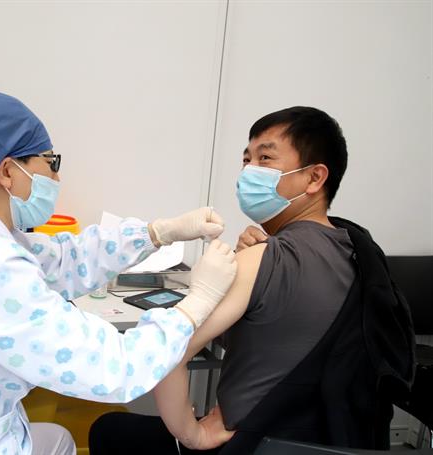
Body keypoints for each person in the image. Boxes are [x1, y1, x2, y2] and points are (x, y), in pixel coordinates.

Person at [0, 92, 239, 455]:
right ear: (7, 172)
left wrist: (157, 233)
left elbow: (65, 258)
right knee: (60, 439)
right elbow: (114, 368)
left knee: (56, 438)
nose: (56, 179)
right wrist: (198, 302)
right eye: (50, 163)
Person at [88, 106, 414, 454]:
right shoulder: (361, 252)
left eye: (265, 158)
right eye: (246, 160)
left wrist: (191, 434)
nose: (248, 172)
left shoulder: (261, 259)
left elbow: (169, 354)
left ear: (314, 178)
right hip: (333, 442)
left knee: (108, 430)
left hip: (250, 444)